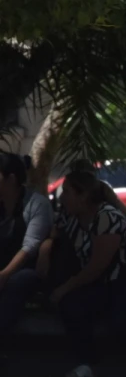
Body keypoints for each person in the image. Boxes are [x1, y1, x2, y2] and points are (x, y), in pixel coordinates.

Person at [40, 170, 126, 377]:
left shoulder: (106, 216)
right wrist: (46, 248)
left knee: (122, 320)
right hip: (106, 286)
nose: (62, 198)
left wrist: (65, 287)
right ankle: (87, 363)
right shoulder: (69, 218)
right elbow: (53, 239)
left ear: (83, 196)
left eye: (68, 192)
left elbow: (96, 266)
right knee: (71, 306)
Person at [0, 154, 52, 365]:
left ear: (11, 179)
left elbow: (30, 246)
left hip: (28, 270)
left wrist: (3, 275)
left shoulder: (36, 204)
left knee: (18, 282)